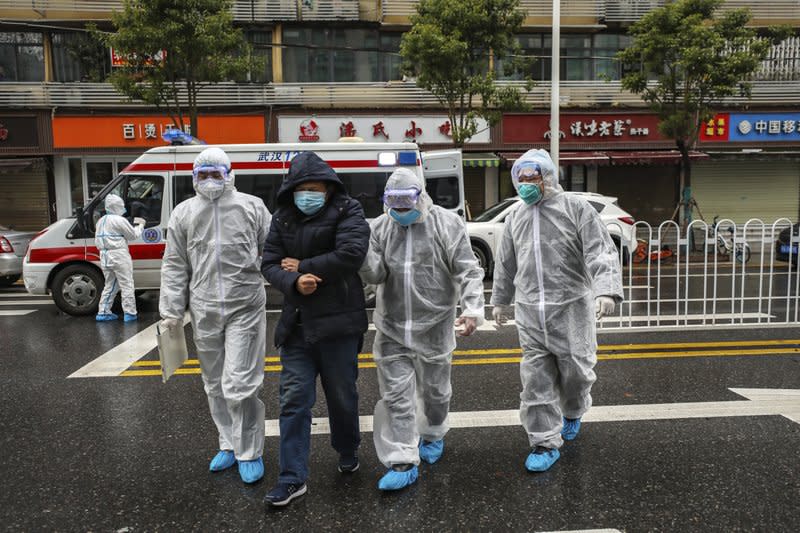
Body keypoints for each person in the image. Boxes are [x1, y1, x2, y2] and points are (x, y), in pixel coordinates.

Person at [492, 149, 623, 473]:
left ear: (547, 177)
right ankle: (543, 442)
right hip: (531, 313)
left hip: (571, 309)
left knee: (577, 373)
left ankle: (574, 409)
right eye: (520, 178)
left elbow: (599, 250)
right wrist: (500, 300)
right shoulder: (515, 218)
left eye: (531, 177)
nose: (525, 184)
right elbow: (506, 264)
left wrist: (605, 289)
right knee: (535, 381)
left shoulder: (575, 209)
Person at [360, 168, 485, 491]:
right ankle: (402, 459)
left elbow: (467, 269)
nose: (400, 210)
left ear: (422, 196)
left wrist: (472, 309)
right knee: (396, 397)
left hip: (435, 326)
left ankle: (433, 432)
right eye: (394, 203)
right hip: (392, 328)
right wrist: (361, 254)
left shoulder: (447, 224)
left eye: (406, 202)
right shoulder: (380, 227)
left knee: (435, 393)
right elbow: (374, 276)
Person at [261, 151, 370, 507]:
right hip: (297, 326)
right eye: (301, 188)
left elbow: (353, 253)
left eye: (315, 188)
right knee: (293, 400)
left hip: (340, 323)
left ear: (328, 187)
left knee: (342, 396)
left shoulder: (348, 209)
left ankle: (347, 447)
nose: (308, 194)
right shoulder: (283, 217)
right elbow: (269, 263)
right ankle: (292, 477)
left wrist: (307, 267)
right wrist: (293, 281)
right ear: (291, 189)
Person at [159, 147, 272, 484]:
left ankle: (249, 451)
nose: (209, 180)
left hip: (245, 306)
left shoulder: (251, 207)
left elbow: (274, 249)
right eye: (203, 174)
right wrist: (171, 311)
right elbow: (175, 263)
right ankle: (228, 442)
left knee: (240, 382)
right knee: (214, 383)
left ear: (229, 174)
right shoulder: (184, 213)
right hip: (204, 307)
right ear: (194, 178)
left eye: (216, 173)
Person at [94, 193, 144, 322]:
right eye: (121, 206)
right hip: (118, 255)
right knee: (127, 284)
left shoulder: (101, 221)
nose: (124, 209)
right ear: (117, 207)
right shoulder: (119, 220)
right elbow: (132, 235)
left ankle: (103, 312)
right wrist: (141, 225)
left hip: (104, 256)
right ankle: (130, 313)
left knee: (110, 284)